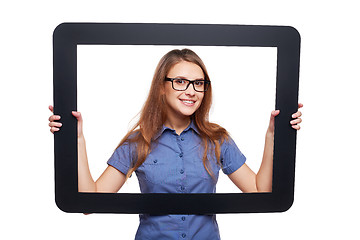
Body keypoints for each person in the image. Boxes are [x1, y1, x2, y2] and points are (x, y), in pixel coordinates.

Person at [49, 49, 303, 239]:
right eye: (180, 81)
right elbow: (88, 203)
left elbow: (260, 193)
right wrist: (76, 138)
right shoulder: (138, 143)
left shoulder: (218, 140)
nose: (191, 91)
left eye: (199, 83)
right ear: (162, 87)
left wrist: (273, 135)